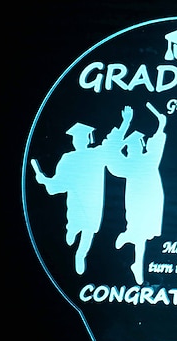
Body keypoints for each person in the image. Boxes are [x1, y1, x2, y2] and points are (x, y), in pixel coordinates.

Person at [32, 107, 133, 274]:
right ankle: (71, 230)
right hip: (76, 204)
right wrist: (45, 180)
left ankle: (80, 255)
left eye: (82, 137)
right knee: (75, 223)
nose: (79, 141)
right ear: (73, 141)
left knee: (88, 232)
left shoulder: (97, 154)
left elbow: (113, 143)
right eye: (77, 138)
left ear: (88, 139)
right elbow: (59, 184)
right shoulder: (68, 158)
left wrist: (125, 122)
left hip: (93, 204)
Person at [111, 103, 166, 284]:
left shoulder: (150, 158)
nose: (133, 148)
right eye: (130, 147)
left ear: (143, 146)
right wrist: (125, 124)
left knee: (143, 231)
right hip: (135, 200)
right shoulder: (127, 164)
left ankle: (137, 262)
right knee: (137, 227)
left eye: (137, 145)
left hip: (152, 198)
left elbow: (157, 142)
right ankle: (130, 238)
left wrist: (161, 125)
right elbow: (112, 153)